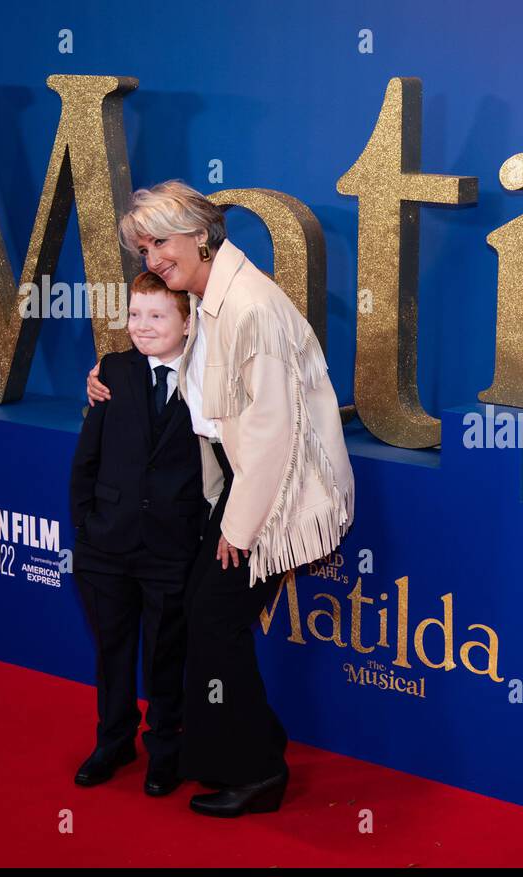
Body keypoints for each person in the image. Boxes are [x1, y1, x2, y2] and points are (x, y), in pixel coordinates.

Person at [87, 180, 355, 817]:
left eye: (160, 242)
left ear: (201, 235)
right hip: (245, 488)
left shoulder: (250, 304)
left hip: (277, 491)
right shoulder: (211, 297)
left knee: (214, 620)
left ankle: (257, 770)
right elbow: (188, 372)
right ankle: (249, 746)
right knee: (210, 617)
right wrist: (106, 374)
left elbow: (270, 432)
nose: (152, 258)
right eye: (143, 248)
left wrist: (237, 529)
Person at [70, 270, 208, 797]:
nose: (142, 326)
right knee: (113, 651)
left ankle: (165, 749)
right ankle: (113, 739)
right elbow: (88, 456)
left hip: (173, 547)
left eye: (157, 315)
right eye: (134, 314)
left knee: (165, 655)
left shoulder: (207, 375)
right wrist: (85, 523)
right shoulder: (113, 371)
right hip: (106, 543)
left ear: (187, 319)